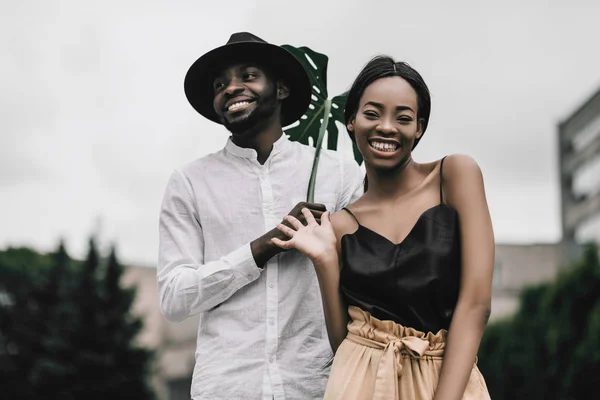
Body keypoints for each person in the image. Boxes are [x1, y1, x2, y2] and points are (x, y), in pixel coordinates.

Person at [271, 56, 494, 399]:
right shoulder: (342, 224)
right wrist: (325, 260)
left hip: (445, 379)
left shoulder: (455, 176)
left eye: (403, 118)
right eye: (372, 114)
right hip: (359, 384)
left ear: (419, 128)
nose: (386, 127)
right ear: (351, 121)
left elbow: (476, 303)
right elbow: (344, 342)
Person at [157, 32, 364, 400]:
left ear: (281, 89)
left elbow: (367, 284)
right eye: (221, 84)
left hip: (317, 386)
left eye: (248, 76)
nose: (231, 88)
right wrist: (262, 247)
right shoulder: (189, 182)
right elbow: (174, 299)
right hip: (227, 387)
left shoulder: (341, 174)